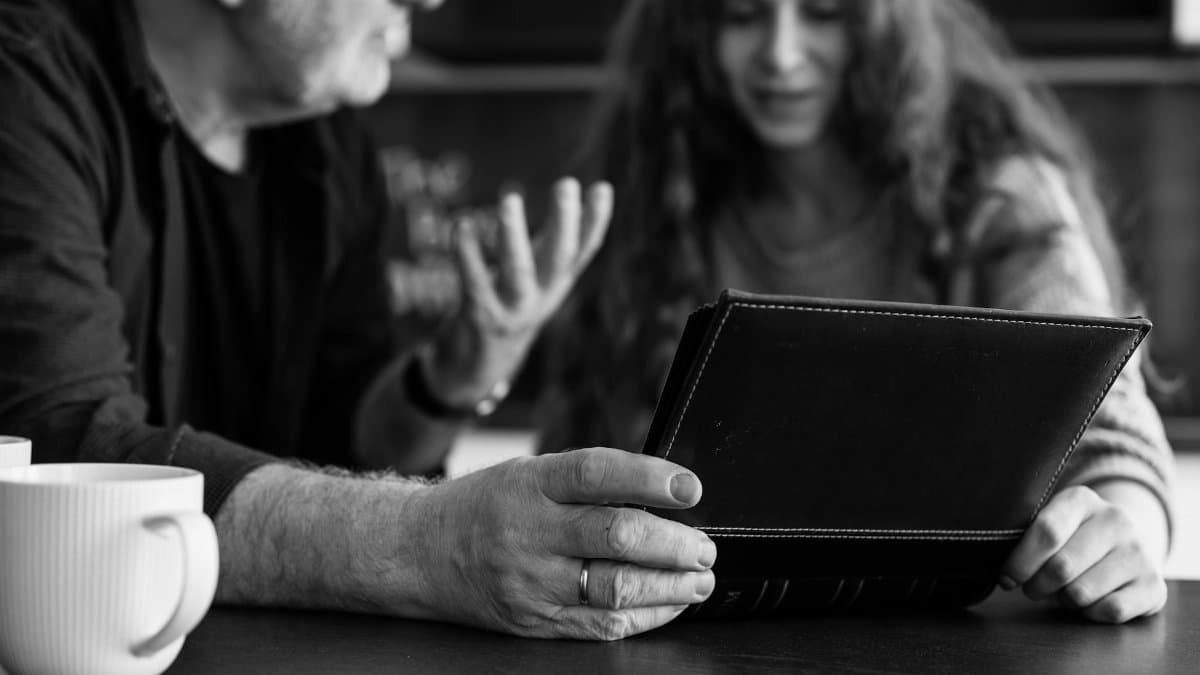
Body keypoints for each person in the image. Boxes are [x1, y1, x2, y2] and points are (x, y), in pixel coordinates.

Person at [0, 0, 717, 640]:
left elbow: (347, 443)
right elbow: (61, 444)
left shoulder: (330, 146)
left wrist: (452, 379)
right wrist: (439, 540)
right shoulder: (23, 77)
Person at [539, 0, 1176, 624]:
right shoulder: (654, 193)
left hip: (941, 646)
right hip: (679, 635)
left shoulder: (996, 186)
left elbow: (1107, 424)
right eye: (741, 17)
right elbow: (573, 471)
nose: (781, 55)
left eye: (823, 14)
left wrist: (1126, 535)